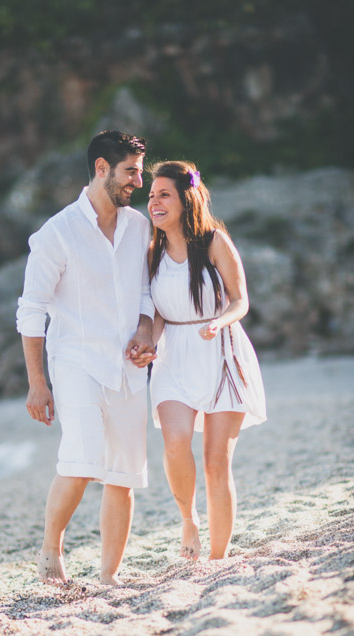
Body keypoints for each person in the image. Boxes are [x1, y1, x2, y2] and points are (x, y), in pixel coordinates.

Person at [16, 130, 156, 586]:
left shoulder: (139, 226)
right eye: (131, 171)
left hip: (130, 366)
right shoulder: (56, 233)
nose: (139, 180)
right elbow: (32, 309)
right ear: (102, 168)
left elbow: (145, 290)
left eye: (140, 170)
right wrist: (38, 382)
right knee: (81, 460)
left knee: (123, 474)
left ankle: (108, 575)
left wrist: (143, 326)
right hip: (75, 362)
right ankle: (50, 547)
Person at [142, 160, 266, 561]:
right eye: (151, 196)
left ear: (185, 198)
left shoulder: (214, 241)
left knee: (216, 462)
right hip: (173, 355)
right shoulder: (152, 252)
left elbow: (240, 299)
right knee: (175, 442)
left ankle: (218, 557)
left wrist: (219, 322)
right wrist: (148, 343)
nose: (155, 203)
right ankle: (188, 520)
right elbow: (158, 311)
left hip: (221, 352)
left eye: (164, 195)